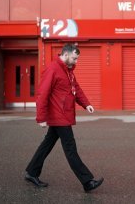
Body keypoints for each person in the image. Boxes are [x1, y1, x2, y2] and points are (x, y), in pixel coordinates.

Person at [25, 43, 104, 193]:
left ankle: (31, 172)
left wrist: (86, 104)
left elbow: (76, 88)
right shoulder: (53, 69)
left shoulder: (68, 71)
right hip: (59, 116)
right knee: (70, 148)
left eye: (77, 59)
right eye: (74, 58)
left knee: (47, 144)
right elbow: (42, 94)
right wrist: (41, 117)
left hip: (62, 115)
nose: (76, 62)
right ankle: (87, 181)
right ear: (66, 54)